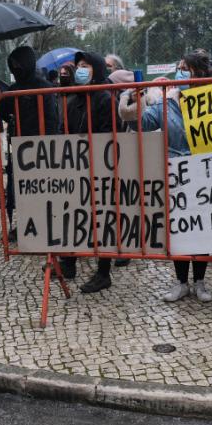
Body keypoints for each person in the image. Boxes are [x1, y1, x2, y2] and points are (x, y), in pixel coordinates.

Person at [119, 64, 212, 303]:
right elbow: (141, 123)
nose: (181, 73)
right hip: (176, 176)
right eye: (180, 68)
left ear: (200, 75)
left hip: (205, 174)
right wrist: (135, 99)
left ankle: (200, 281)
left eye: (187, 69)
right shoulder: (167, 104)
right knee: (179, 230)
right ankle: (181, 282)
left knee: (202, 230)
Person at [58, 51, 119, 293]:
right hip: (76, 165)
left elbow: (109, 134)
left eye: (86, 65)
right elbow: (64, 130)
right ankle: (69, 262)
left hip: (101, 166)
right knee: (73, 213)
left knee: (102, 218)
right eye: (79, 66)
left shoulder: (105, 98)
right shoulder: (73, 99)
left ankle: (103, 272)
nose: (80, 70)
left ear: (97, 69)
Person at [0, 45, 59, 242]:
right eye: (13, 65)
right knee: (24, 189)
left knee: (44, 188)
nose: (16, 69)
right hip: (22, 145)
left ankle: (48, 223)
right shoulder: (14, 89)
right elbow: (3, 111)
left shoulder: (44, 87)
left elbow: (52, 119)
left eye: (18, 64)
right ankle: (28, 223)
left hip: (43, 146)